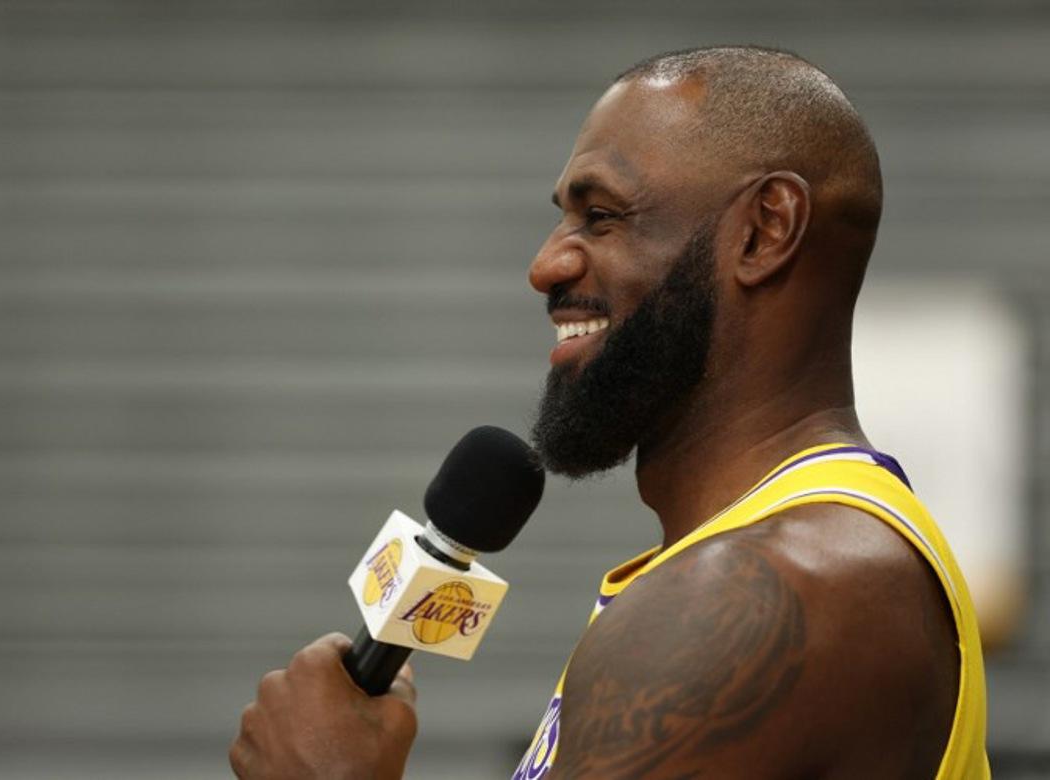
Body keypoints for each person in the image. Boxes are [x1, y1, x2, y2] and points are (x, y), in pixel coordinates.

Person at [229, 46, 989, 779]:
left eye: (600, 216)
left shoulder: (759, 589)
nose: (545, 266)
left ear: (764, 230)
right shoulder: (768, 566)